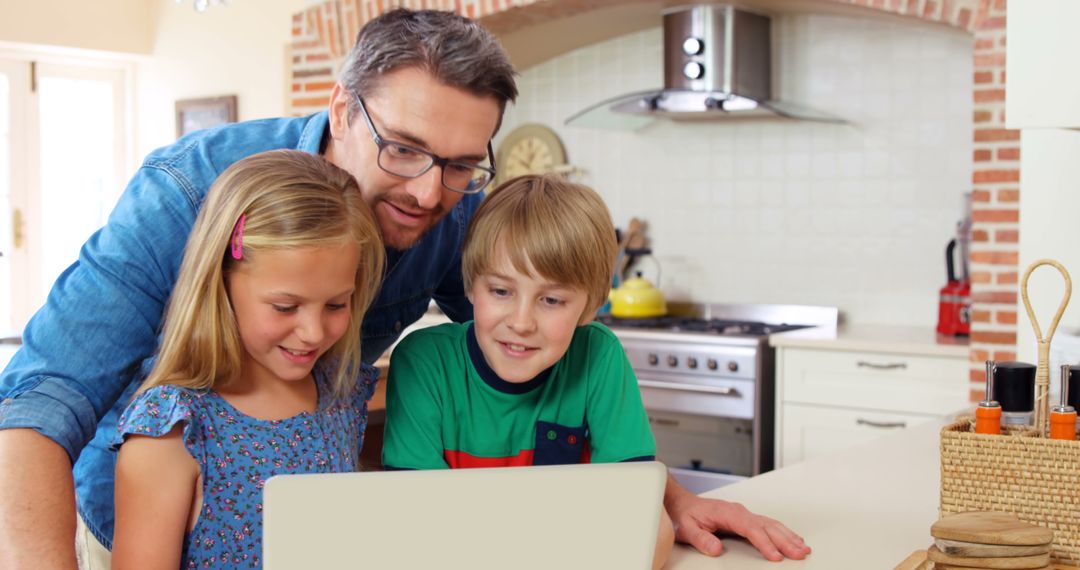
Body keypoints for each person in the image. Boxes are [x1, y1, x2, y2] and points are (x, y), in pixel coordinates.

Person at [0, 8, 805, 568]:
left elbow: (520, 348)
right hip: (138, 528)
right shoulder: (190, 192)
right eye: (405, 150)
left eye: (461, 163)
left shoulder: (454, 215)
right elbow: (41, 402)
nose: (429, 191)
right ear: (342, 108)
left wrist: (659, 495)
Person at [382, 174, 676, 569]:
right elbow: (418, 527)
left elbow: (643, 520)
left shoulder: (599, 357)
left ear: (589, 308)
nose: (521, 322)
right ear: (470, 287)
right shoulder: (423, 364)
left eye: (551, 300)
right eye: (501, 292)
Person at [109, 150, 384, 569]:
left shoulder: (341, 395)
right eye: (285, 307)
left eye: (335, 304)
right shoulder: (173, 430)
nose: (313, 332)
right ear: (221, 283)